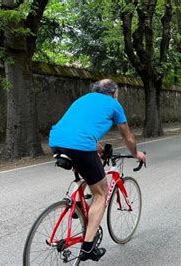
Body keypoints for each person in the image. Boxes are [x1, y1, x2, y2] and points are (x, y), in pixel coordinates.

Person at [49, 79, 146, 261]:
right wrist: (136, 153)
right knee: (100, 193)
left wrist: (100, 150)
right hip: (80, 146)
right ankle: (88, 248)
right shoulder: (113, 104)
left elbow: (80, 130)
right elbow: (128, 136)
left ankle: (78, 203)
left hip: (56, 141)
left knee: (86, 174)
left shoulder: (83, 100)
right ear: (114, 93)